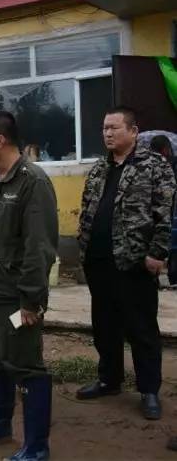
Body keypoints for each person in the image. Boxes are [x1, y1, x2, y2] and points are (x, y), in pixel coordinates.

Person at [0, 111, 58, 461]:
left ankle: (36, 446)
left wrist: (32, 302)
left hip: (17, 302)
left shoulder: (32, 182)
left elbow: (40, 248)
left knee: (25, 365)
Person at [77, 108, 176, 421]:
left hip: (134, 262)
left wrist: (157, 253)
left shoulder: (154, 166)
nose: (107, 133)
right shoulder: (99, 168)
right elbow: (88, 209)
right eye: (105, 128)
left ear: (133, 131)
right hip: (99, 261)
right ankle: (109, 379)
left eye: (115, 128)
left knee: (141, 328)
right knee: (105, 325)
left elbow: (165, 213)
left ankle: (149, 390)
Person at [150, 135, 177, 288]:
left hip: (150, 213)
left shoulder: (144, 165)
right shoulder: (170, 163)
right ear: (166, 149)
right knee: (171, 243)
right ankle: (172, 276)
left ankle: (155, 277)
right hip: (169, 211)